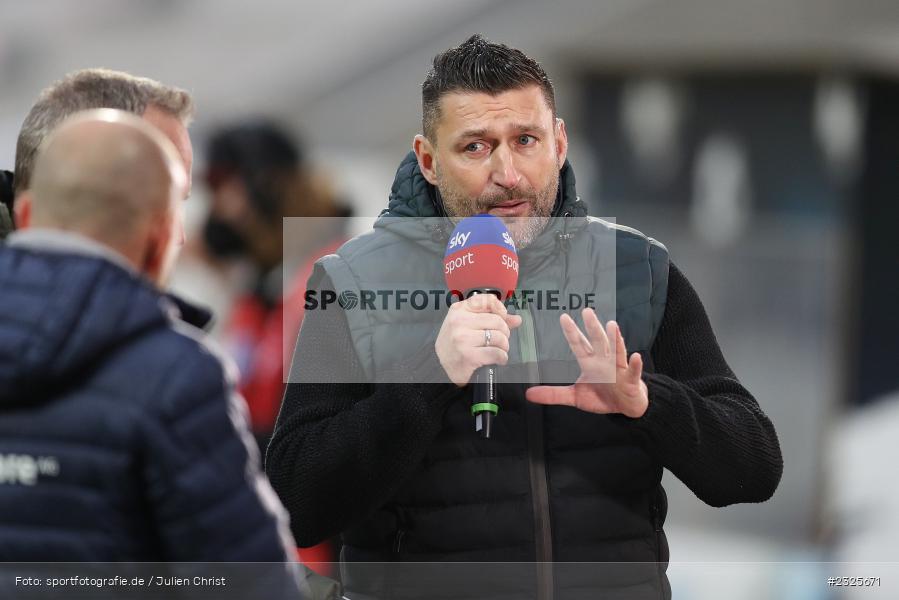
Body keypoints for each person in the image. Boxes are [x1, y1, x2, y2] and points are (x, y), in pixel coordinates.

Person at [266, 35, 783, 600]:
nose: (507, 173)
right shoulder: (350, 282)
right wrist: (428, 378)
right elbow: (294, 503)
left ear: (559, 143)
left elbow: (754, 469)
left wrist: (647, 404)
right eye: (476, 147)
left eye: (525, 140)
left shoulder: (638, 270)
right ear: (428, 161)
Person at [0, 110, 315, 594]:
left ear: (24, 216)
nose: (219, 211)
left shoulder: (307, 287)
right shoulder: (178, 372)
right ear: (163, 236)